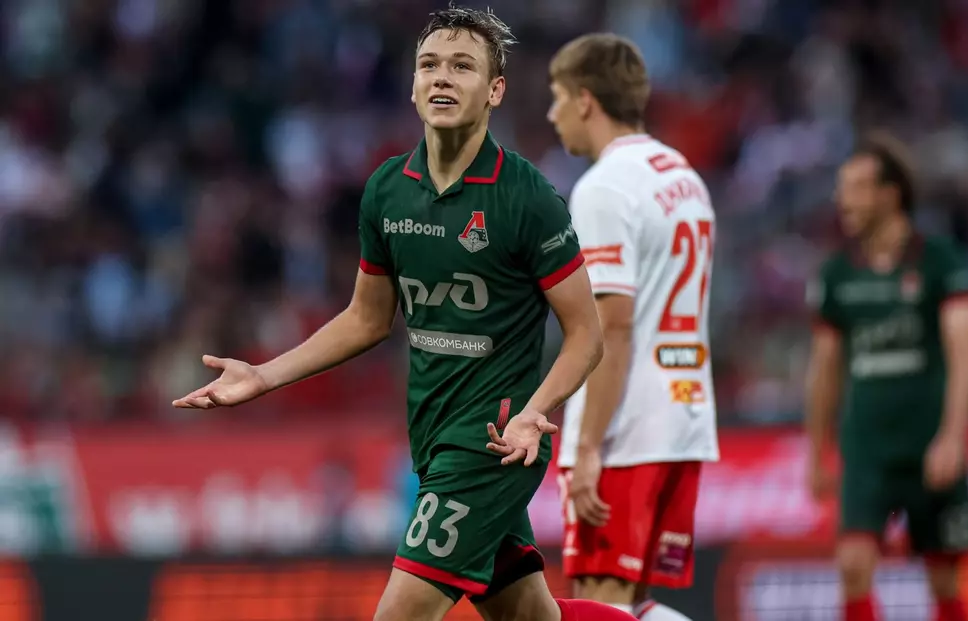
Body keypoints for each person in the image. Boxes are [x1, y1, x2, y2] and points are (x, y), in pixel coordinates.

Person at [172, 6, 636, 621]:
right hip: (431, 441)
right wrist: (263, 375)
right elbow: (367, 319)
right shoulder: (387, 190)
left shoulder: (527, 198)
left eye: (462, 66)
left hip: (494, 443)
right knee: (529, 616)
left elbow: (586, 336)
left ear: (495, 90)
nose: (442, 76)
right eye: (429, 65)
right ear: (413, 86)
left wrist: (534, 412)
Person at [546, 33, 719, 621]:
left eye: (557, 98)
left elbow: (613, 328)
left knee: (598, 602)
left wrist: (589, 446)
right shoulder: (684, 176)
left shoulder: (604, 187)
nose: (552, 115)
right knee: (634, 604)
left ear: (585, 100)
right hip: (684, 419)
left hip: (626, 432)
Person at [805, 133, 968, 621]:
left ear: (890, 193)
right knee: (852, 566)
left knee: (945, 580)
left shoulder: (940, 261)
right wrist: (817, 450)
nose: (842, 200)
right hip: (867, 452)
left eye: (856, 188)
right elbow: (824, 370)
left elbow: (965, 356)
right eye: (841, 188)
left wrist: (953, 437)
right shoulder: (837, 274)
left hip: (929, 445)